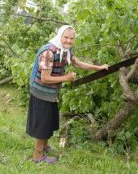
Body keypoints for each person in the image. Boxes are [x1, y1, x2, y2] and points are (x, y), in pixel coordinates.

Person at [26, 25, 109, 163]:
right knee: (42, 124)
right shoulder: (49, 52)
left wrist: (98, 67)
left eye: (72, 38)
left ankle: (45, 147)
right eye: (66, 37)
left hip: (51, 92)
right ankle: (38, 156)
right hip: (41, 92)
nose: (69, 41)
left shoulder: (65, 51)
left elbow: (78, 63)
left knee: (48, 121)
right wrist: (67, 77)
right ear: (60, 36)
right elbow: (45, 78)